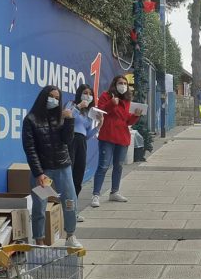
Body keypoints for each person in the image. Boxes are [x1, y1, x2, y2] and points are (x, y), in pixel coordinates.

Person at [22, 85, 81, 247]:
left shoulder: (60, 117)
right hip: (44, 172)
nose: (54, 100)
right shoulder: (31, 119)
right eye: (51, 96)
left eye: (57, 98)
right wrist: (38, 173)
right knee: (39, 206)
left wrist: (69, 120)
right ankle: (39, 240)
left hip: (63, 168)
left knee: (70, 201)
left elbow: (67, 140)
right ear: (43, 97)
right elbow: (30, 149)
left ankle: (70, 235)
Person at [91, 75, 143, 208]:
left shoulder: (126, 100)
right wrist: (111, 104)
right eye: (120, 83)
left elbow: (127, 120)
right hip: (107, 136)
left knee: (118, 166)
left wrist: (136, 116)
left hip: (122, 137)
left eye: (125, 83)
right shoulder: (105, 96)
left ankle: (114, 191)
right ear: (114, 84)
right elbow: (100, 112)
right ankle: (96, 195)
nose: (123, 85)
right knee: (103, 166)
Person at [65, 84, 100, 222]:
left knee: (78, 176)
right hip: (70, 140)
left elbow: (86, 134)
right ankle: (64, 209)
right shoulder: (72, 104)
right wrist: (79, 106)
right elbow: (67, 116)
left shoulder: (89, 112)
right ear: (79, 94)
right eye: (85, 93)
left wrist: (98, 126)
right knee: (68, 175)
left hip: (81, 143)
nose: (88, 95)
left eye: (90, 93)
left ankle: (73, 210)